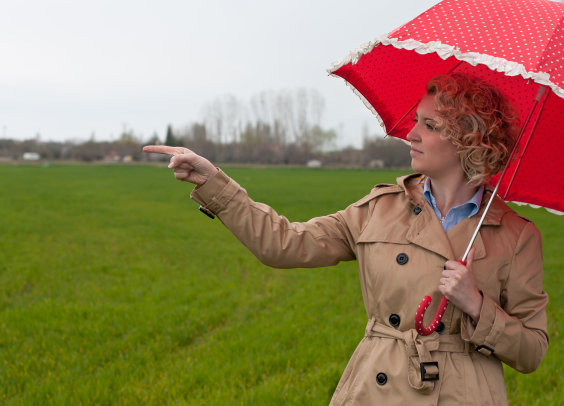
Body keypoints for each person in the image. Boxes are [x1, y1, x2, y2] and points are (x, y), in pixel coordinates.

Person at [143, 73, 548, 405]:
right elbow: (284, 243)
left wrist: (477, 306)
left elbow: (532, 350)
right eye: (415, 121)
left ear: (470, 142)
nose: (411, 134)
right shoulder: (379, 209)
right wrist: (215, 184)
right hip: (376, 390)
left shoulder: (516, 237)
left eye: (429, 125)